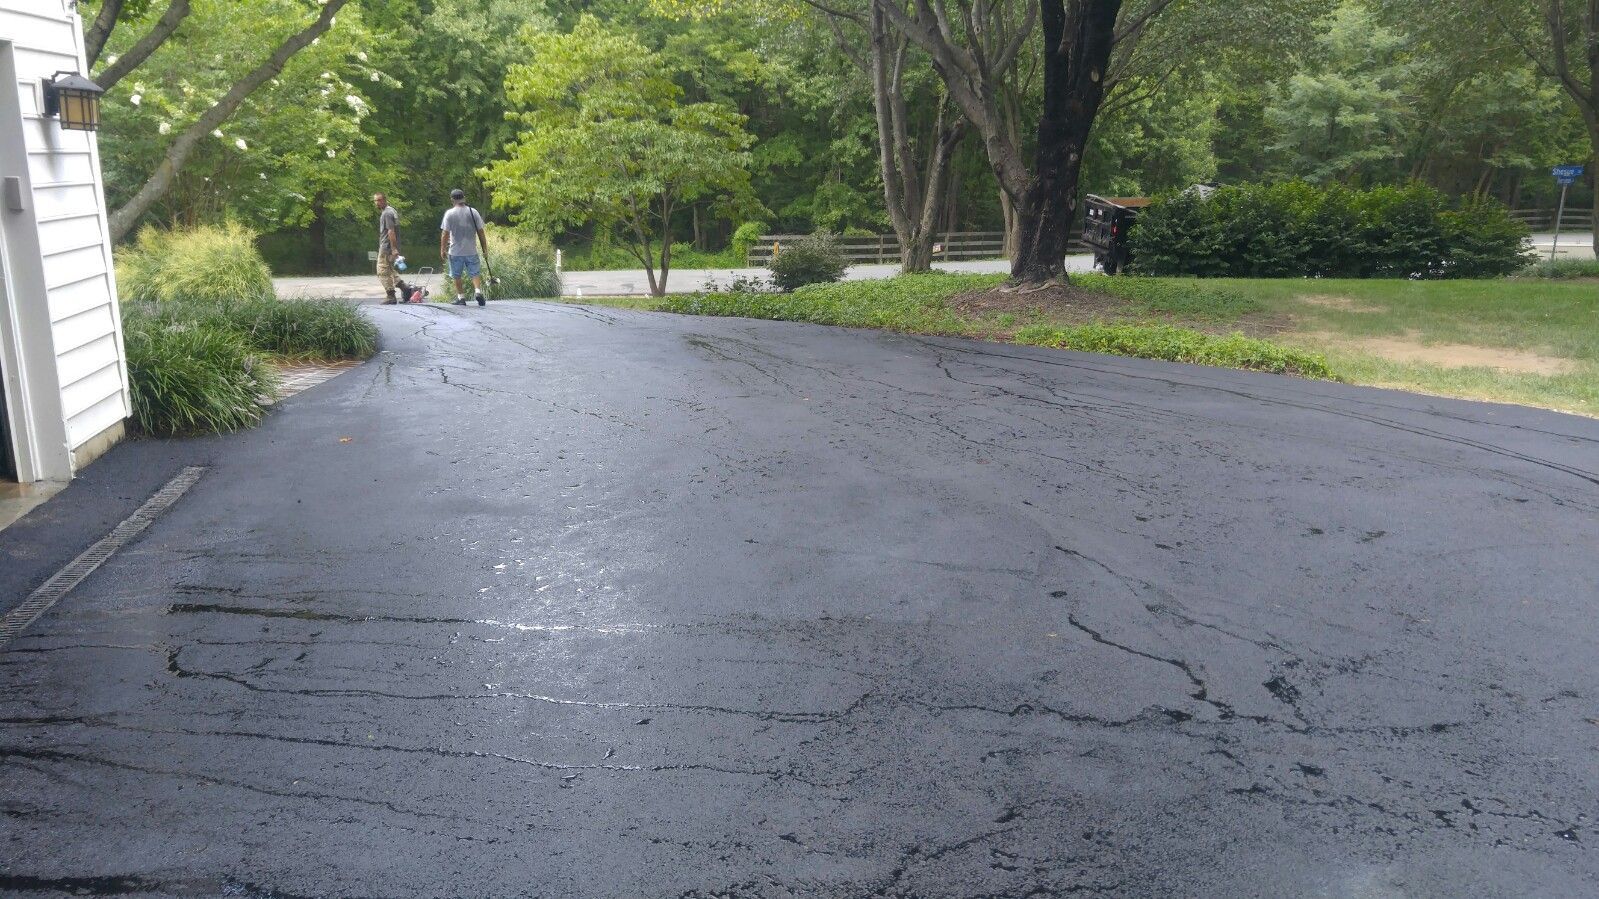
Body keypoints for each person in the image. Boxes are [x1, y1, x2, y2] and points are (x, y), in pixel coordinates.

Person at [439, 188, 489, 306]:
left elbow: (445, 233)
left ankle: (461, 298)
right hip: (471, 250)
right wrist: (485, 249)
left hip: (455, 251)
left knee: (456, 275)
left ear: (452, 200)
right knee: (475, 272)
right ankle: (477, 291)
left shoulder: (449, 214)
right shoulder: (473, 212)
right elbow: (481, 232)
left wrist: (442, 249)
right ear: (464, 198)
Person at [374, 193, 402, 304]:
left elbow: (391, 231)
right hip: (389, 246)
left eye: (379, 200)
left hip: (386, 247)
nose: (377, 203)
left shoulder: (387, 213)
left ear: (385, 200)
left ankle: (390, 296)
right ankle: (405, 289)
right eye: (375, 201)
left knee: (382, 271)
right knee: (390, 269)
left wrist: (394, 249)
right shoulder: (392, 210)